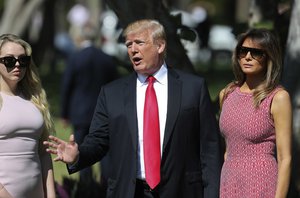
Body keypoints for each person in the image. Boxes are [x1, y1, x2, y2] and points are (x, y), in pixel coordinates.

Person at [44, 19, 221, 198]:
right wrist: (78, 155)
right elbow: (98, 141)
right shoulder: (112, 93)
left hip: (181, 191)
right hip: (130, 191)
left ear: (160, 46)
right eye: (129, 44)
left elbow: (210, 149)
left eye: (139, 43)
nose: (133, 49)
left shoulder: (193, 88)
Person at [219, 28, 292, 197]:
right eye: (243, 51)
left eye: (256, 53)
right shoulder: (227, 94)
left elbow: (285, 158)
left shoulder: (278, 98)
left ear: (269, 57)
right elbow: (229, 147)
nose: (248, 57)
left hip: (262, 182)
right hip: (230, 182)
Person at [60, 21, 118, 184]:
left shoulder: (75, 58)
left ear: (80, 37)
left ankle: (87, 185)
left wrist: (64, 113)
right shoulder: (106, 58)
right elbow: (115, 85)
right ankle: (106, 182)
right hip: (103, 110)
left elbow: (67, 86)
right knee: (105, 149)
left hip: (80, 111)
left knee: (81, 149)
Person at [0, 34, 56, 197]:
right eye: (9, 60)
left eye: (23, 60)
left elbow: (44, 153)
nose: (17, 65)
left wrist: (51, 195)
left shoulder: (35, 99)